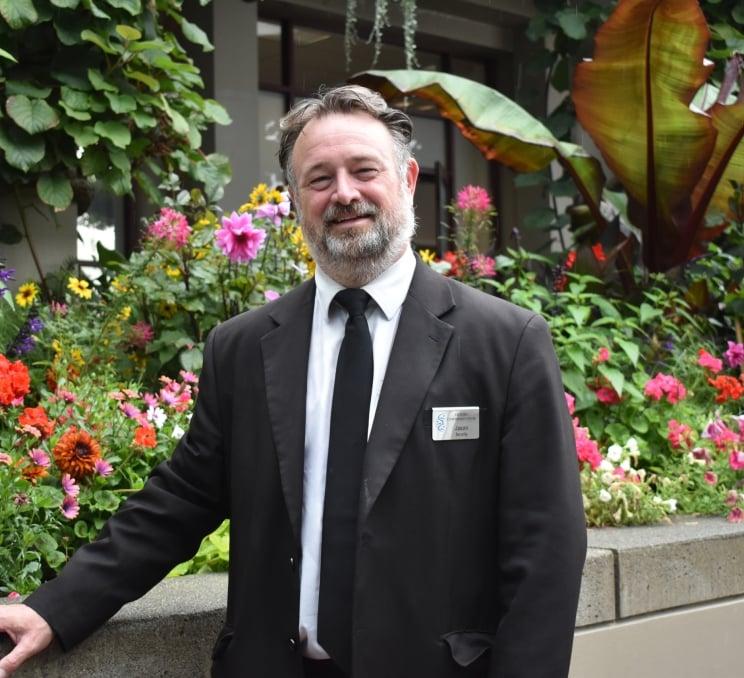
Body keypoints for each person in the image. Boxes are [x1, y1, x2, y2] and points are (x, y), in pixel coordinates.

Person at [0, 85, 586, 678]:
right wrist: (54, 608)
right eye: (320, 178)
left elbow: (546, 553)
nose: (345, 193)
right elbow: (177, 503)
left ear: (407, 180)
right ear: (295, 197)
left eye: (364, 170)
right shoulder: (243, 348)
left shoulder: (504, 342)